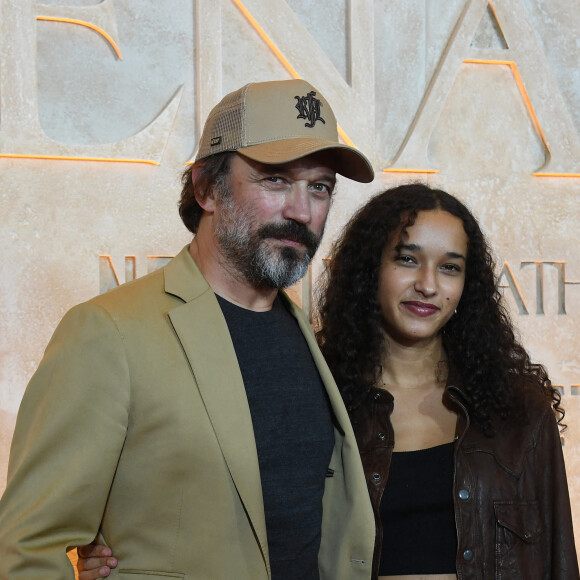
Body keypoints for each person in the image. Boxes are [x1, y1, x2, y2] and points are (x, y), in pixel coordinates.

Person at [0, 79, 377, 580]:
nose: (301, 211)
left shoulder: (305, 335)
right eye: (275, 180)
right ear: (206, 188)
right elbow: (28, 547)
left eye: (320, 187)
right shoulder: (108, 332)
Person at [314, 184, 578, 579]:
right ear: (370, 269)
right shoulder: (318, 400)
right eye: (407, 259)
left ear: (466, 285)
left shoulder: (520, 410)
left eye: (450, 267)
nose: (428, 284)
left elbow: (559, 562)